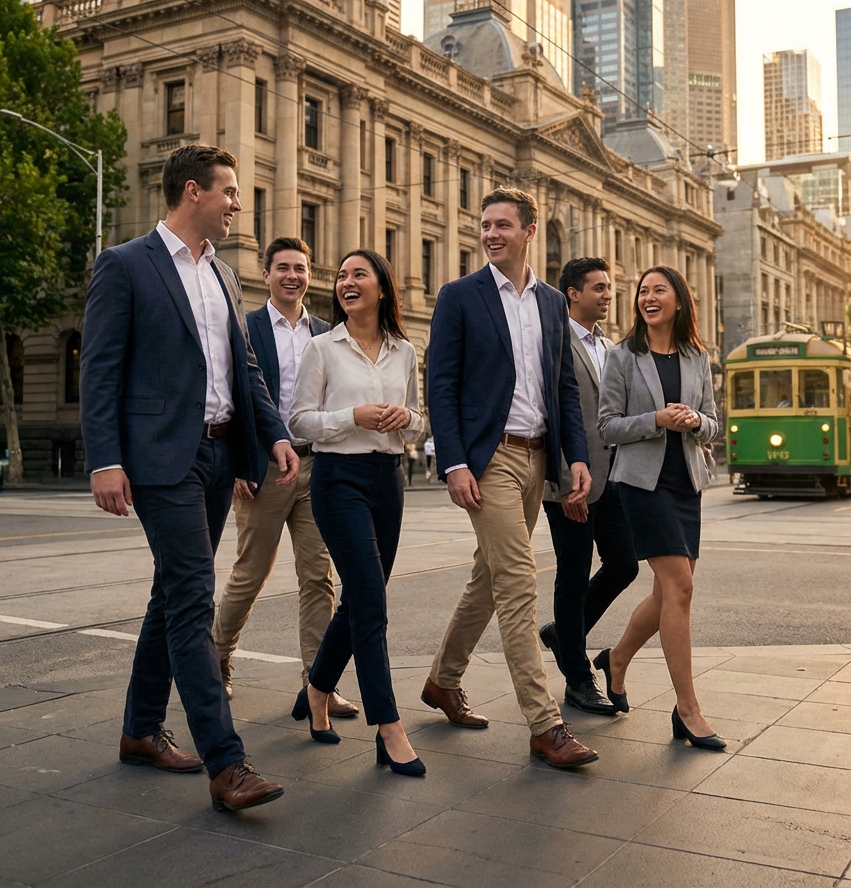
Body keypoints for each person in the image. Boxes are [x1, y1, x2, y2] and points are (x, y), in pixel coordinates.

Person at [80, 144, 297, 811]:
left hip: (218, 456)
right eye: (230, 192)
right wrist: (104, 458)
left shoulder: (226, 277)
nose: (238, 204)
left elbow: (247, 371)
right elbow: (101, 370)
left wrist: (276, 435)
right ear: (194, 192)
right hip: (158, 459)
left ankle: (141, 729)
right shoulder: (126, 265)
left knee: (171, 594)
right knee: (192, 601)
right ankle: (227, 765)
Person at [422, 186, 599, 769]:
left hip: (538, 458)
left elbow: (564, 388)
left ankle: (443, 681)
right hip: (489, 457)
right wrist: (452, 462)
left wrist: (576, 454)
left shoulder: (552, 303)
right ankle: (545, 724)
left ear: (528, 231)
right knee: (520, 585)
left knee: (487, 577)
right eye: (484, 225)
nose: (490, 233)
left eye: (502, 225)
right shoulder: (459, 297)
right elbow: (441, 386)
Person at [289, 249, 426, 776]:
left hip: (387, 481)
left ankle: (318, 690)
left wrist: (404, 416)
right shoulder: (322, 349)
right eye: (342, 276)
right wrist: (354, 416)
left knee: (361, 600)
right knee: (370, 601)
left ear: (382, 288)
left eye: (358, 274)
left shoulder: (404, 351)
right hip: (336, 479)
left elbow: (416, 425)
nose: (346, 282)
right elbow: (300, 421)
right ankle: (388, 726)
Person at [212, 236, 357, 721]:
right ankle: (216, 660)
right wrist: (239, 463)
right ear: (267, 273)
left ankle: (319, 683)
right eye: (283, 268)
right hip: (264, 468)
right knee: (250, 574)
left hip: (316, 466)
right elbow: (235, 396)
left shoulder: (326, 330)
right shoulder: (247, 326)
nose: (292, 276)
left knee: (319, 577)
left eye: (301, 267)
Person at [595, 265, 726, 750]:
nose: (649, 298)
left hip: (685, 482)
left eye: (659, 290)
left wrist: (694, 422)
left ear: (678, 300)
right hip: (641, 484)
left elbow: (713, 422)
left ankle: (616, 660)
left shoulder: (696, 357)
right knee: (681, 586)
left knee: (668, 591)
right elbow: (607, 427)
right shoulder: (622, 356)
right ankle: (687, 709)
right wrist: (655, 419)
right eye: (643, 292)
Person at [538, 258, 638, 715]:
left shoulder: (609, 346)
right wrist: (562, 481)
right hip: (570, 482)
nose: (607, 294)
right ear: (572, 294)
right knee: (574, 573)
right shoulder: (553, 341)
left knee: (624, 564)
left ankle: (564, 634)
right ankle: (578, 679)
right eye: (598, 287)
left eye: (609, 287)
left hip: (611, 477)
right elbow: (552, 414)